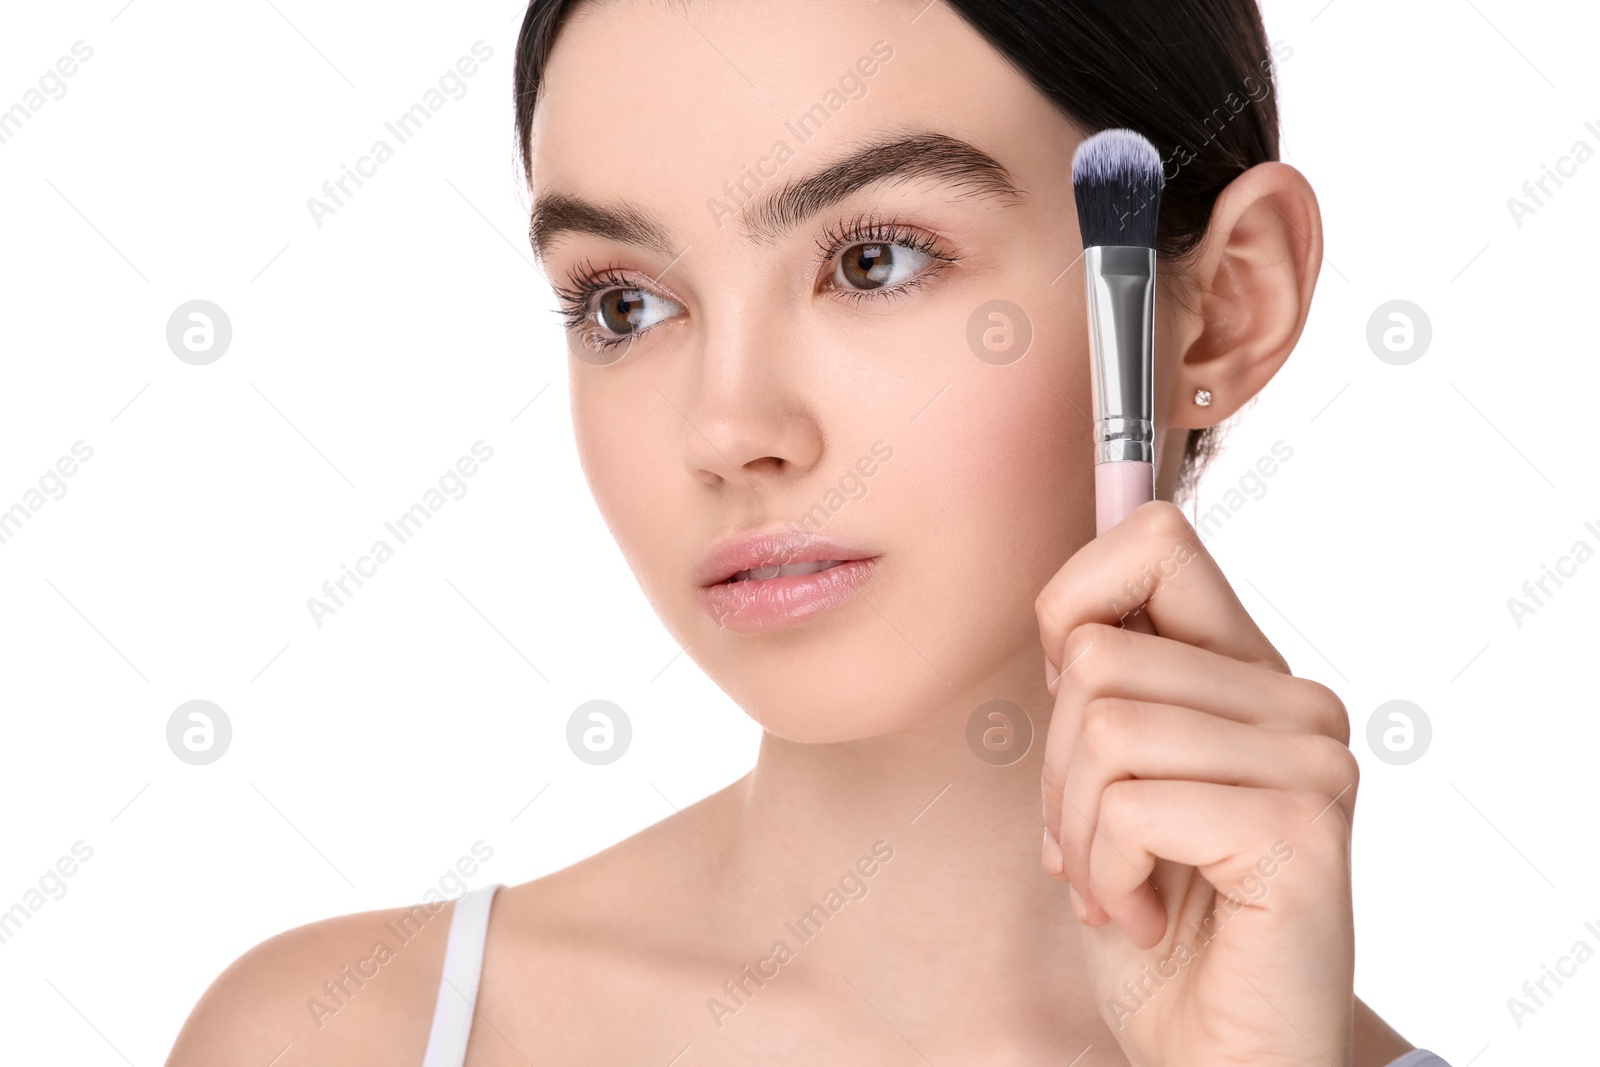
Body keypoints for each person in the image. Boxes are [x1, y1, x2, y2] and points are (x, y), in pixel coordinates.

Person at [166, 1, 1449, 1063]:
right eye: (623, 304)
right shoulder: (336, 1035)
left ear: (1225, 306)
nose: (727, 428)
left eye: (875, 260)